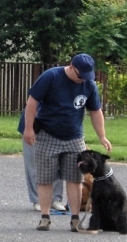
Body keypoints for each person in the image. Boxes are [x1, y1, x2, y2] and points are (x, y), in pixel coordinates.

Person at [21, 53, 112, 232]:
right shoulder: (51, 76)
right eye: (80, 76)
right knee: (45, 178)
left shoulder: (89, 84)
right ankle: (45, 217)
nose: (83, 80)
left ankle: (75, 219)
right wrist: (29, 128)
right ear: (71, 67)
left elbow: (95, 111)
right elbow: (32, 103)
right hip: (47, 133)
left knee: (74, 178)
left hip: (74, 136)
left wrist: (102, 136)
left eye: (87, 76)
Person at [18, 118, 66, 212]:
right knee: (33, 163)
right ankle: (37, 200)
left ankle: (55, 199)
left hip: (57, 125)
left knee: (58, 163)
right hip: (34, 124)